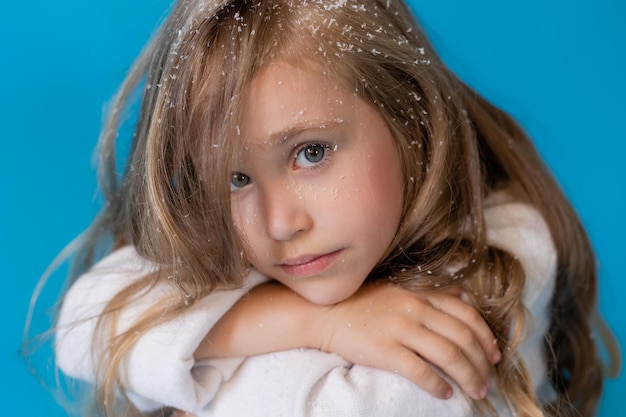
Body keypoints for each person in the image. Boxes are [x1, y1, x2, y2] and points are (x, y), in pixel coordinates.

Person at [45, 0, 618, 416]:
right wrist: (322, 325)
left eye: (310, 153)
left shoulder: (503, 250)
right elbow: (82, 323)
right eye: (235, 178)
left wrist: (191, 360)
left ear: (409, 120)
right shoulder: (258, 240)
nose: (279, 222)